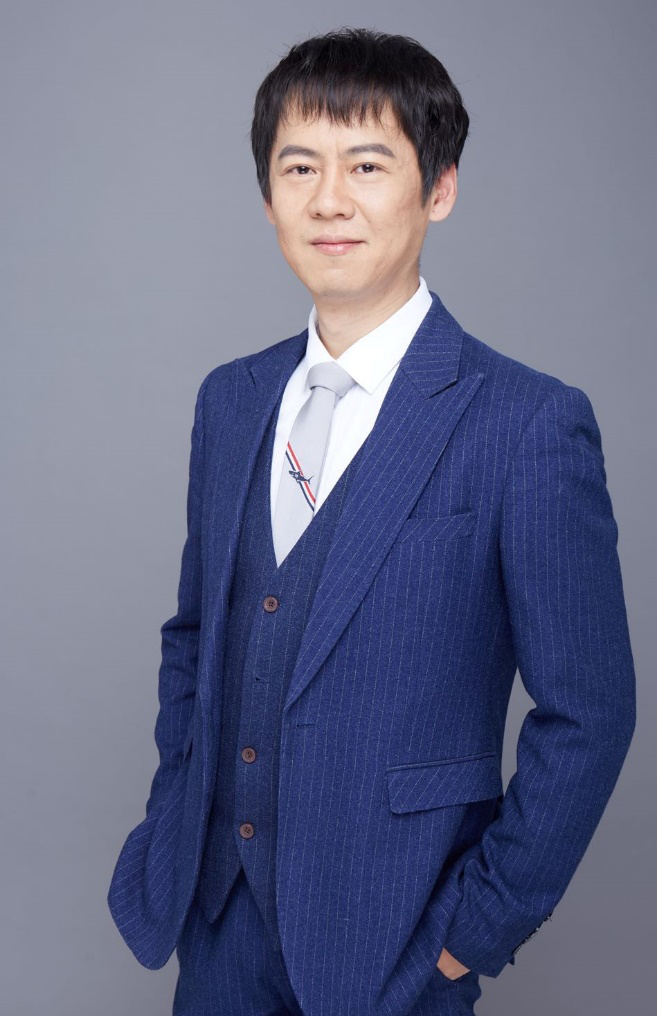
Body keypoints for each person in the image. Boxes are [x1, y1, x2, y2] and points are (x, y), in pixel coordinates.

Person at [107, 27, 636, 1016]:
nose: (328, 200)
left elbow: (591, 709)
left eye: (366, 164)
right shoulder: (232, 400)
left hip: (397, 943)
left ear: (439, 188)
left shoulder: (524, 422)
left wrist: (473, 933)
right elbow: (197, 637)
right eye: (298, 167)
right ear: (268, 195)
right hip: (215, 929)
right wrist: (174, 821)